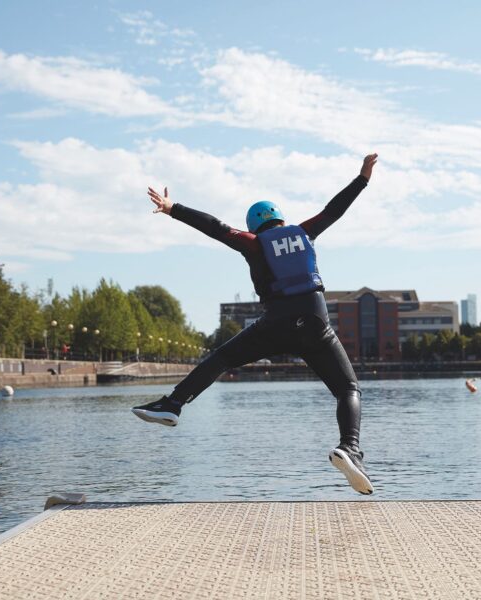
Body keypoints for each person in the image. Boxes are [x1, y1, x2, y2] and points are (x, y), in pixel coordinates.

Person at [132, 153, 378, 495]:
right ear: (280, 219)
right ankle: (350, 448)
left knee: (221, 358)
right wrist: (362, 178)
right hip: (314, 321)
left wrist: (174, 208)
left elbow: (216, 227)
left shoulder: (254, 243)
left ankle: (173, 404)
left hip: (275, 323)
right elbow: (333, 210)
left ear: (254, 225)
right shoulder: (305, 232)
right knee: (348, 389)